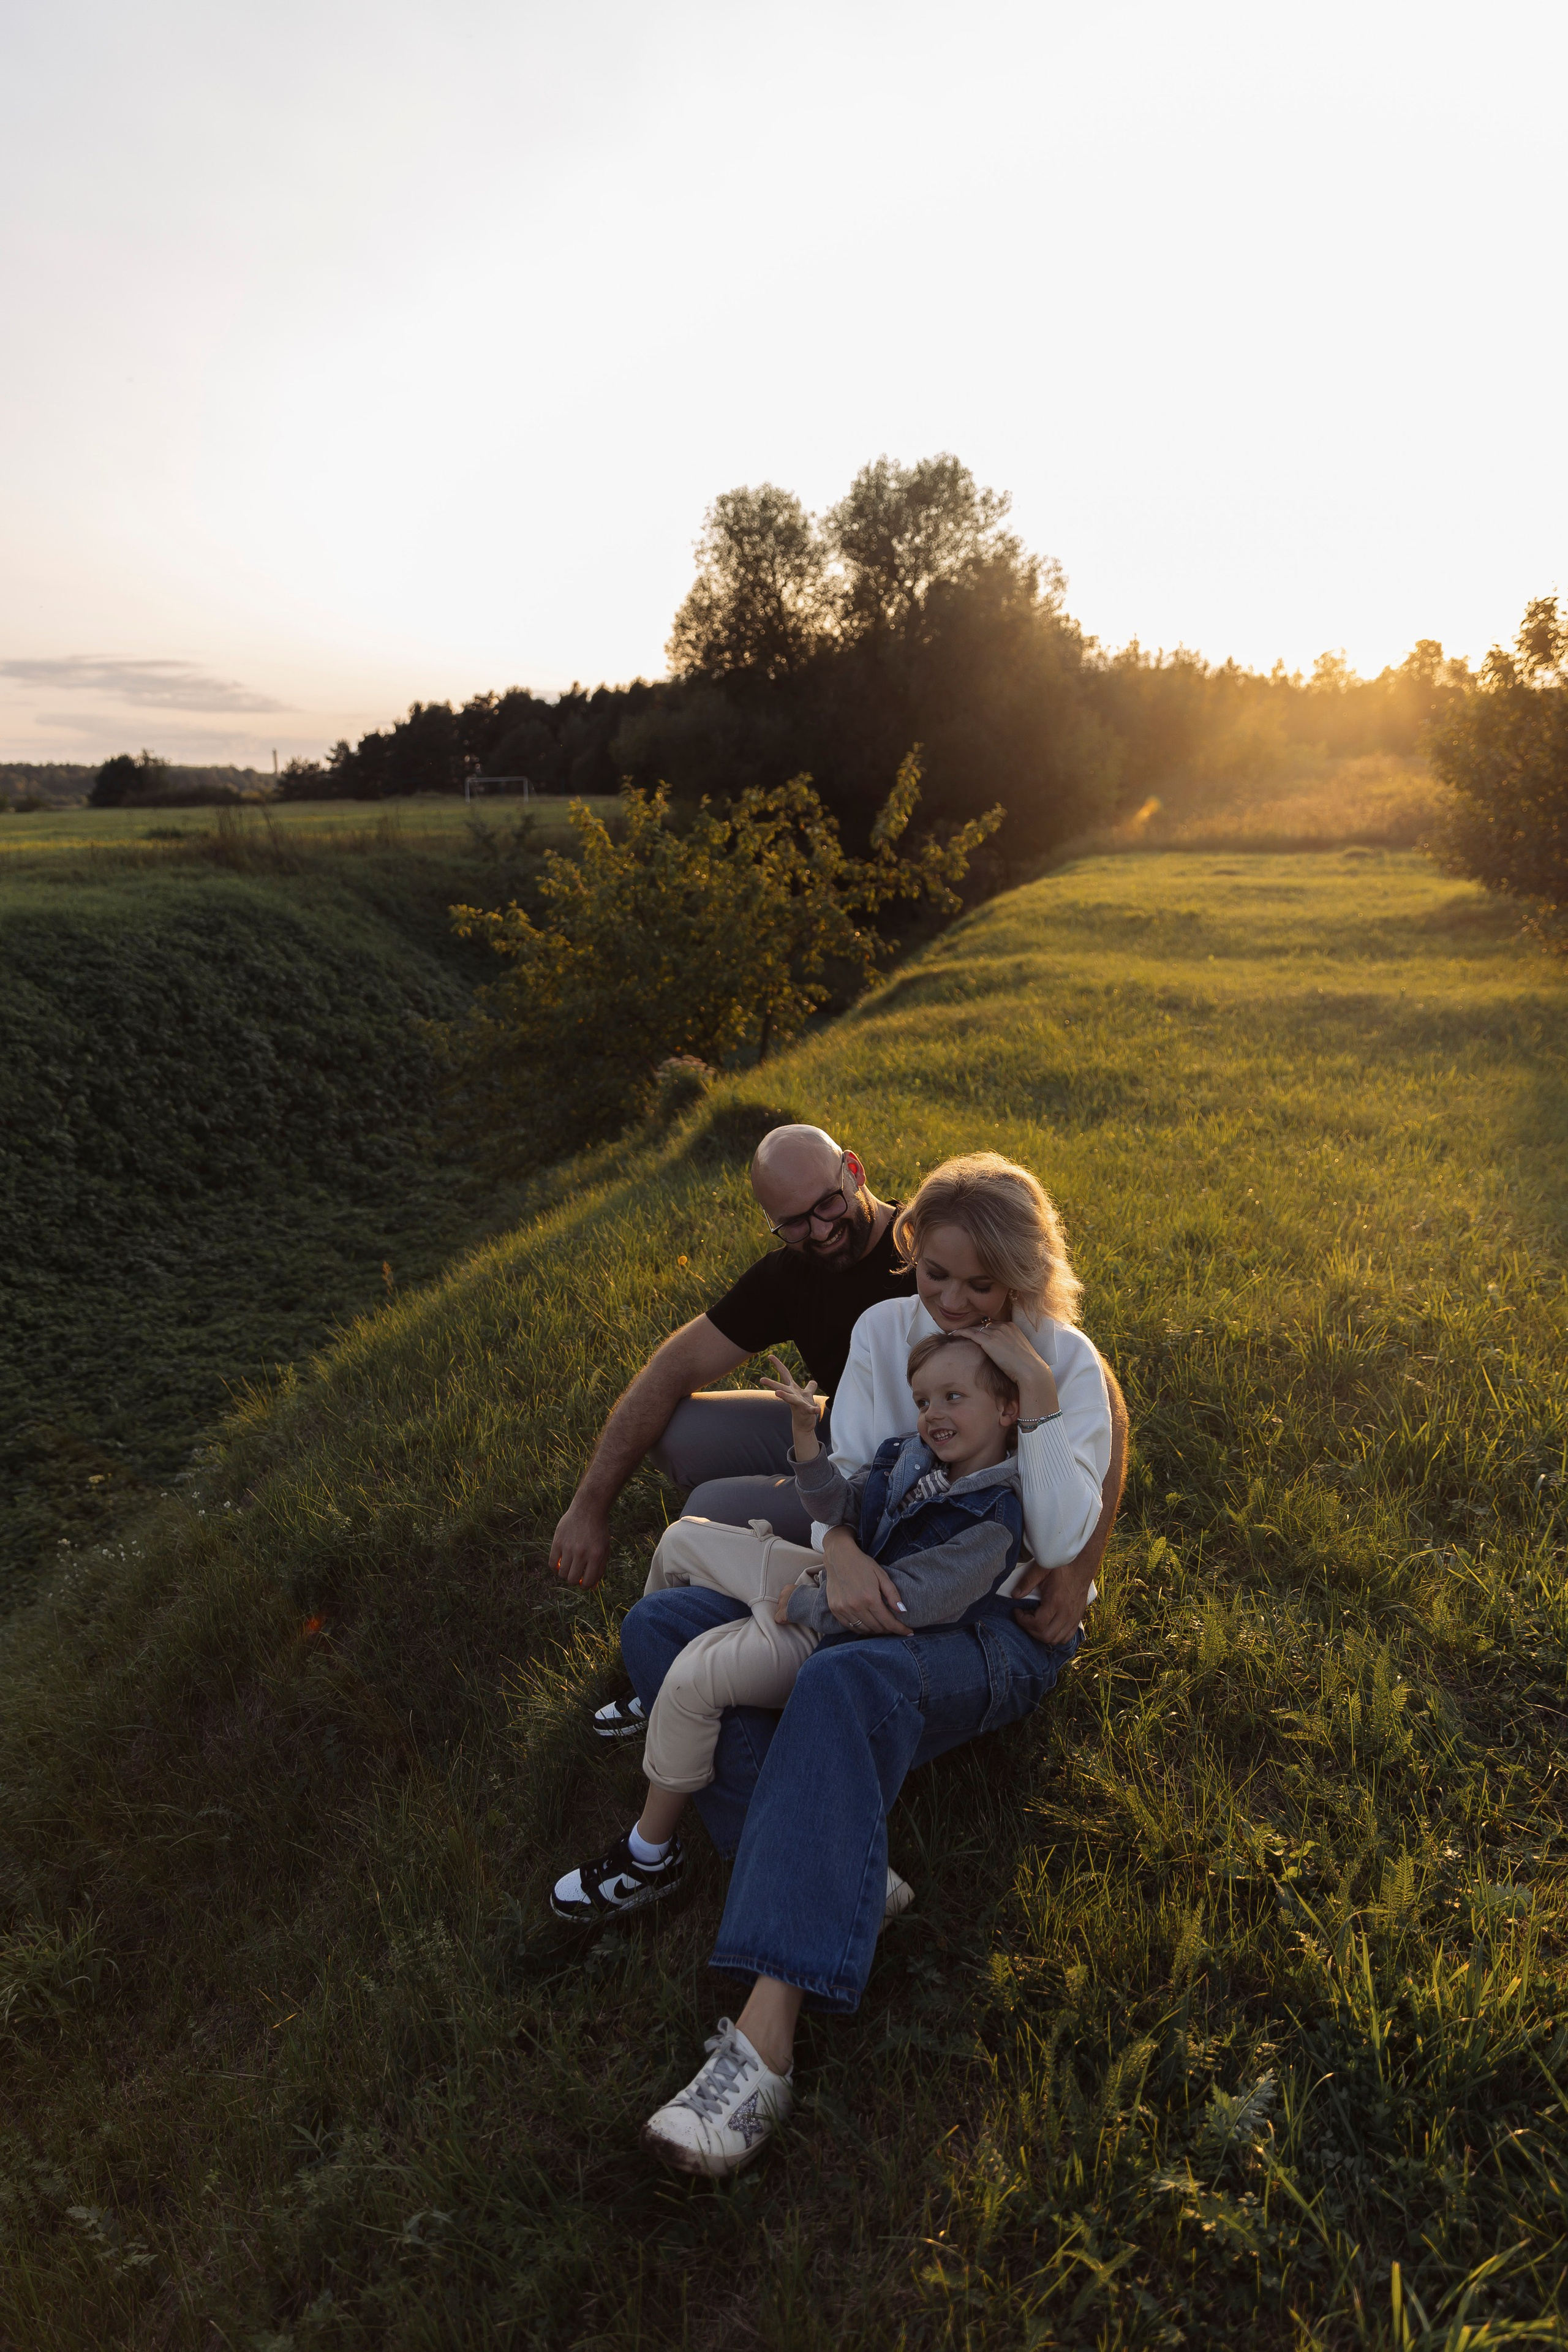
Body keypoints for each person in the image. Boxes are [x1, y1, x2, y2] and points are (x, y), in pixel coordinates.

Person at [608, 1152, 1128, 2176]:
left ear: (1027, 1276)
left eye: (987, 1285)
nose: (959, 1301)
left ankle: (763, 2044)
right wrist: (838, 1551)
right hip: (868, 1585)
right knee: (661, 1633)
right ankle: (845, 1866)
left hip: (989, 1631)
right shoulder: (888, 1332)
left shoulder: (1062, 1362)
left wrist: (1034, 1385)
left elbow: (1061, 1537)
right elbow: (847, 1478)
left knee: (843, 1682)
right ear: (913, 1257)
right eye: (939, 1274)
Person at [550, 1327, 1095, 1930]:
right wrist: (807, 1440)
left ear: (1007, 1408)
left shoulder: (994, 1515)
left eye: (952, 1398)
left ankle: (651, 1853)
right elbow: (836, 1507)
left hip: (846, 1632)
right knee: (681, 1539)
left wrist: (805, 1605)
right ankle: (662, 1703)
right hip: (822, 1587)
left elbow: (908, 1606)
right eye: (922, 1402)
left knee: (691, 1681)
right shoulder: (909, 1459)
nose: (933, 1415)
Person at [548, 1125, 918, 1598]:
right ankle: (800, 1484)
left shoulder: (928, 1251)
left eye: (828, 1203)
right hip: (839, 1430)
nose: (821, 1231)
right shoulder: (789, 1276)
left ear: (854, 1170)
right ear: (770, 1219)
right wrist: (588, 1506)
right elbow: (673, 1367)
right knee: (678, 1431)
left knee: (708, 1510)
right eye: (795, 1223)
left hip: (906, 1471)